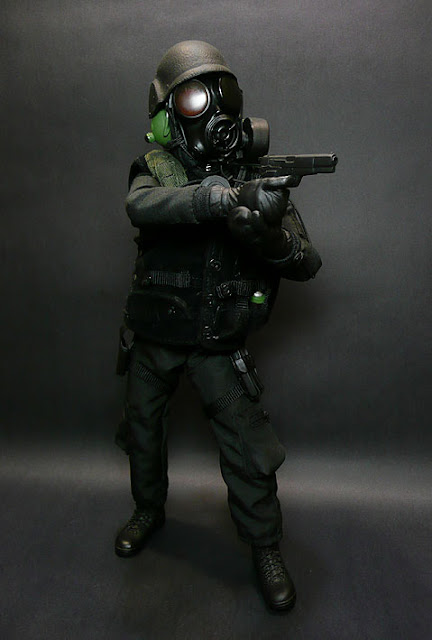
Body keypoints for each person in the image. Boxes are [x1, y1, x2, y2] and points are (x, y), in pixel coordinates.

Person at [114, 40, 322, 612]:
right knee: (142, 431)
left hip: (216, 345)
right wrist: (212, 200)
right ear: (167, 113)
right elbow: (141, 206)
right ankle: (148, 509)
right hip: (156, 337)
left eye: (224, 94)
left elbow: (307, 262)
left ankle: (265, 546)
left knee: (248, 450)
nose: (215, 112)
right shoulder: (157, 168)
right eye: (196, 98)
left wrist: (268, 236)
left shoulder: (256, 177)